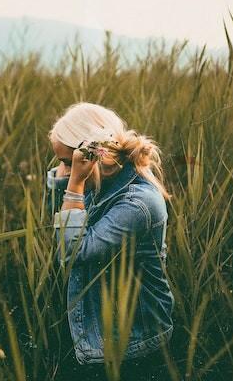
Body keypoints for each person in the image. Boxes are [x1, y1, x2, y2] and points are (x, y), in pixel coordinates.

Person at [46, 102, 176, 380]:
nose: (64, 171)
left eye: (68, 163)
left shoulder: (139, 203)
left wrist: (74, 186)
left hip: (133, 342)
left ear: (94, 157)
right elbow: (58, 225)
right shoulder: (101, 178)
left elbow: (73, 252)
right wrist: (68, 182)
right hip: (101, 327)